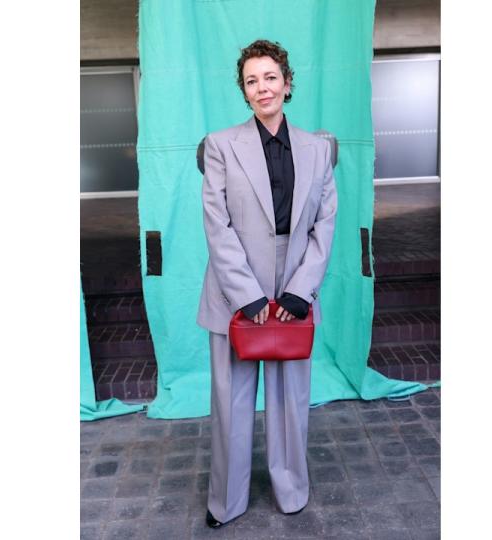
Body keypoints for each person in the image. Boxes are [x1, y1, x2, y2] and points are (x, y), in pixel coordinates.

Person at [196, 39, 338, 528]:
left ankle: (291, 490)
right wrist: (248, 295)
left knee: (290, 400)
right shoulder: (220, 146)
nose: (263, 88)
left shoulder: (319, 149)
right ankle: (227, 502)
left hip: (295, 281)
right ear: (244, 90)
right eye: (252, 80)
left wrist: (301, 291)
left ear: (288, 82)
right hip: (235, 285)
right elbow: (217, 225)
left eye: (270, 77)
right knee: (232, 406)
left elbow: (325, 224)